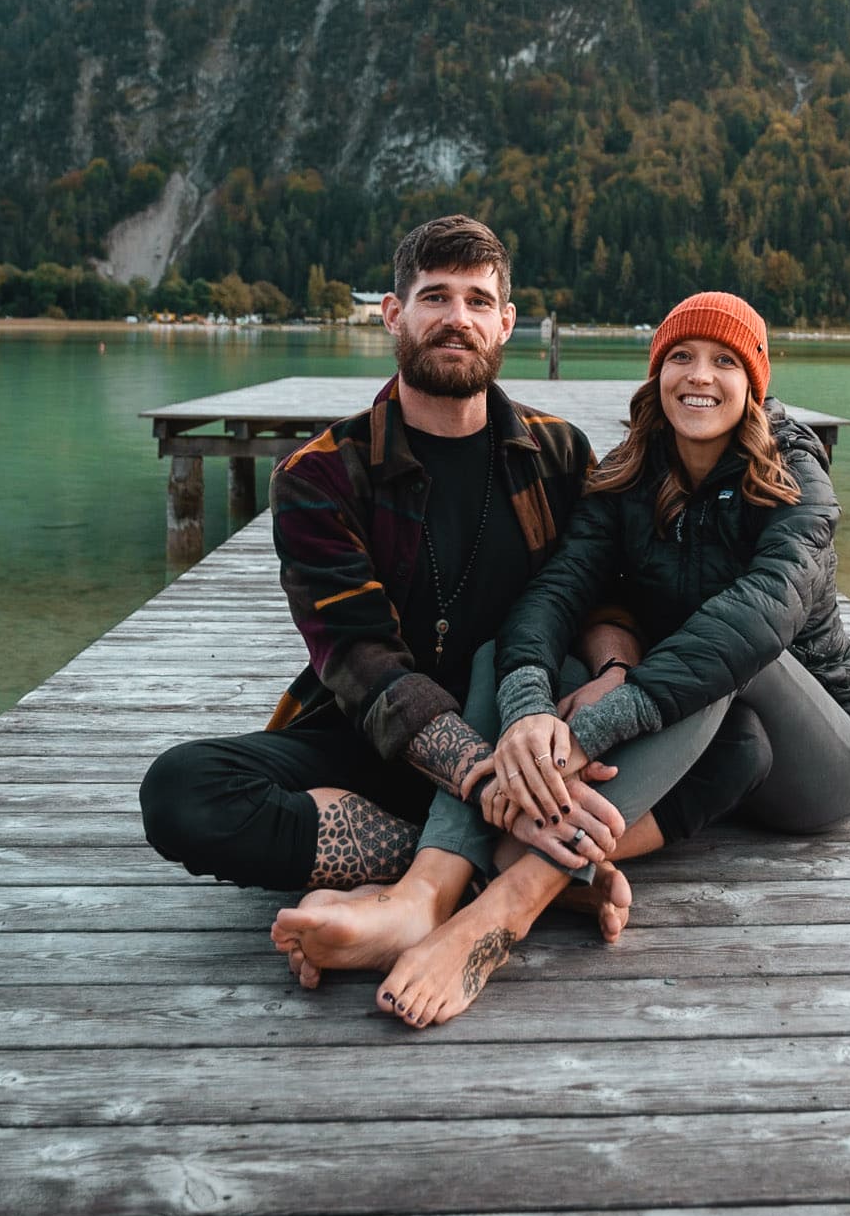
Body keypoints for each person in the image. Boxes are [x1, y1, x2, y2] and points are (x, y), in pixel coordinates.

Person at [298, 290, 850, 1029]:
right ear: (655, 374)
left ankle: (511, 903)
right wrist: (528, 717)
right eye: (680, 357)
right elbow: (555, 592)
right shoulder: (629, 476)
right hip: (728, 748)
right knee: (502, 651)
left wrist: (586, 736)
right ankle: (429, 891)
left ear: (754, 382)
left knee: (724, 650)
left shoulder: (797, 478)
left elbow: (758, 615)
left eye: (724, 361)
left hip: (825, 756)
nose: (698, 376)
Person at [138, 214, 636, 934]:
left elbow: (599, 598)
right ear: (394, 316)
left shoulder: (558, 453)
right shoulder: (319, 476)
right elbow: (360, 660)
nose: (456, 318)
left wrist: (610, 678)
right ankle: (493, 868)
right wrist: (490, 781)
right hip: (381, 736)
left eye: (477, 300)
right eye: (435, 297)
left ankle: (446, 867)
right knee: (183, 792)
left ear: (505, 324)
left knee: (739, 743)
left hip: (523, 725)